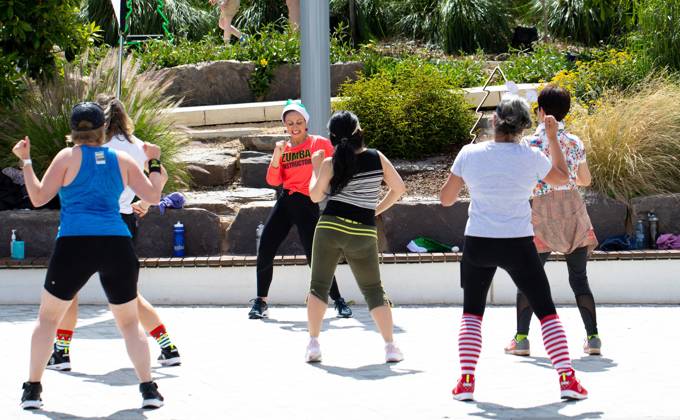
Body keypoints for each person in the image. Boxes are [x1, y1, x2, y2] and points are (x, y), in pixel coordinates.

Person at [15, 102, 167, 409]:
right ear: (103, 131)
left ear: (73, 131)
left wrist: (27, 161)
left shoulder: (66, 157)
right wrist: (153, 164)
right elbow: (152, 196)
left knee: (47, 320)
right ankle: (148, 389)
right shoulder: (122, 159)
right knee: (128, 323)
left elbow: (38, 197)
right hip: (116, 244)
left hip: (75, 243)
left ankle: (32, 389)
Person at [440, 96, 588, 401]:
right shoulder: (531, 155)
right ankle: (567, 380)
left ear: (494, 121)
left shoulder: (470, 153)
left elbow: (446, 199)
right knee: (546, 312)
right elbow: (563, 178)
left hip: (478, 242)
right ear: (523, 126)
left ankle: (466, 381)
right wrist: (551, 138)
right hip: (518, 243)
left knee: (472, 313)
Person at [46, 97, 181, 374]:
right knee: (128, 294)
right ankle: (167, 345)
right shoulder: (136, 145)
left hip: (86, 225)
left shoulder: (93, 147)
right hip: (123, 224)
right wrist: (143, 203)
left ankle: (61, 352)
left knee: (67, 291)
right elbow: (161, 176)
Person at [504, 85, 600, 357]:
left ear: (541, 111)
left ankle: (521, 339)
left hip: (539, 213)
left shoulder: (528, 145)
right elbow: (585, 180)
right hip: (573, 210)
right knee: (579, 279)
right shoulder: (575, 142)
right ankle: (593, 338)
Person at [305, 110, 405, 363]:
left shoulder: (329, 163)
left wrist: (316, 168)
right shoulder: (376, 157)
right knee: (373, 290)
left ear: (332, 137)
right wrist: (374, 210)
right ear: (358, 130)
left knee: (318, 287)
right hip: (363, 231)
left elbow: (316, 196)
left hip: (330, 228)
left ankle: (314, 344)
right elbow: (399, 189)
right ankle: (390, 347)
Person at [249, 101, 352, 319]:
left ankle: (338, 300)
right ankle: (261, 301)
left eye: (299, 122)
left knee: (315, 256)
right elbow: (272, 179)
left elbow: (338, 164)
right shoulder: (283, 148)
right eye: (290, 123)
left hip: (307, 203)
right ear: (285, 126)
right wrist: (277, 155)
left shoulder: (319, 143)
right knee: (266, 247)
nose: (294, 126)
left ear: (306, 123)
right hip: (286, 202)